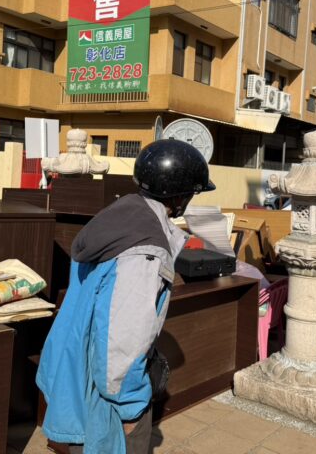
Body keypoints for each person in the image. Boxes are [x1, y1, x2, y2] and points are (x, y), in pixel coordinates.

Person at [37, 139, 215, 454]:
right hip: (104, 394)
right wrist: (130, 408)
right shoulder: (145, 249)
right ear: (180, 196)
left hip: (74, 370)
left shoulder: (118, 216)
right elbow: (122, 340)